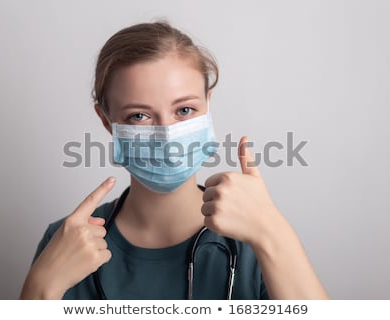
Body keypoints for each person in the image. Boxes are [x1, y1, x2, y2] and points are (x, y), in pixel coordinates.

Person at [19, 21, 328, 300]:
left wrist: (273, 233)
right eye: (139, 116)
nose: (166, 136)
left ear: (208, 104)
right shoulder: (67, 243)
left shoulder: (255, 237)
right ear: (106, 120)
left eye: (184, 111)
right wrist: (41, 286)